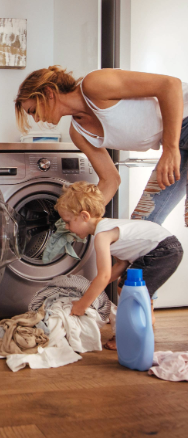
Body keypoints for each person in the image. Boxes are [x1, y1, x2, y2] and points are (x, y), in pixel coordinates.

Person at [15, 66, 188, 227]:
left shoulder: (94, 84)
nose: (36, 119)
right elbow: (110, 180)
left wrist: (170, 149)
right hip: (176, 143)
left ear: (48, 92)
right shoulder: (79, 134)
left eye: (33, 111)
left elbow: (170, 85)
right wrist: (79, 219)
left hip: (181, 129)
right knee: (142, 226)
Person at [55, 182, 183, 350]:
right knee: (131, 288)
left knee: (128, 289)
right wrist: (93, 287)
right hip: (165, 248)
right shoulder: (107, 227)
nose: (66, 227)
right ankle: (144, 323)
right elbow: (121, 265)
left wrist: (82, 305)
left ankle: (130, 335)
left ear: (84, 216)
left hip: (162, 250)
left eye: (68, 221)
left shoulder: (102, 235)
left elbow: (104, 276)